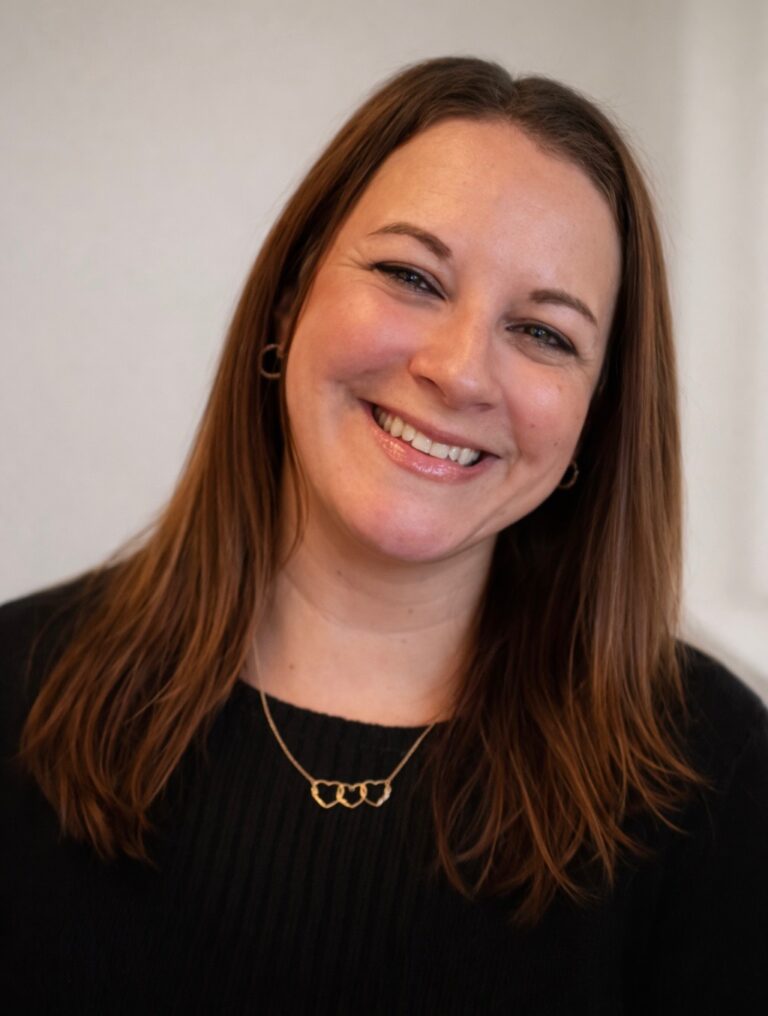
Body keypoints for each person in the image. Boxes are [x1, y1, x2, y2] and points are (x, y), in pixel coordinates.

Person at [1, 56, 766, 1014]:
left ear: (593, 420)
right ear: (290, 299)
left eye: (545, 334)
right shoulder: (13, 684)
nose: (458, 371)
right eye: (410, 275)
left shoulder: (716, 776)